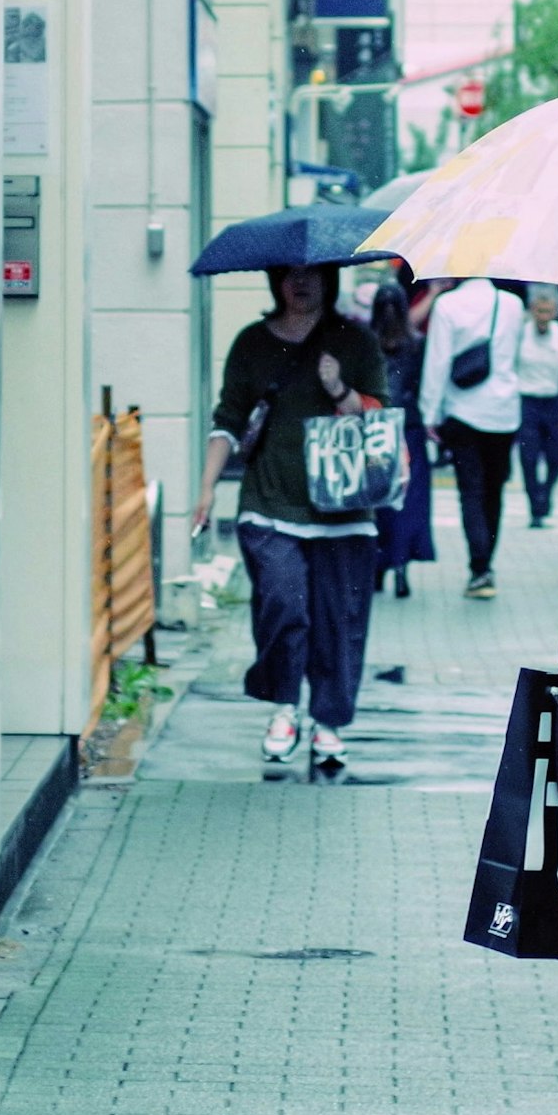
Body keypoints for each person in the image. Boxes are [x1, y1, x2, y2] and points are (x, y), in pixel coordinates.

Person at [193, 265, 386, 778]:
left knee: (339, 623)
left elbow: (379, 416)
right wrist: (207, 487)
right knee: (281, 604)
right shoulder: (252, 343)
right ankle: (284, 705)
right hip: (270, 501)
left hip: (345, 508)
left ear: (328, 279)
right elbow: (228, 419)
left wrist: (338, 387)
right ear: (276, 280)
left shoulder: (354, 340)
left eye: (312, 275)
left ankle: (329, 722)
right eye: (290, 275)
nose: (301, 283)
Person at [420, 276, 529, 597]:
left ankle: (478, 568)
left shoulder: (447, 304)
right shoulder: (512, 304)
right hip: (504, 410)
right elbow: (515, 357)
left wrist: (430, 412)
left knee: (470, 490)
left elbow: (437, 361)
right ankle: (486, 564)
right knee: (494, 491)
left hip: (462, 410)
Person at [368, 264, 439, 598]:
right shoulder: (417, 344)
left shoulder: (367, 344)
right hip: (409, 428)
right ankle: (401, 566)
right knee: (409, 502)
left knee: (378, 500)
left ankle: (380, 566)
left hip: (375, 429)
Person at [515, 288, 558, 527]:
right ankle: (536, 505)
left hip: (555, 402)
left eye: (548, 312)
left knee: (557, 455)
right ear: (532, 311)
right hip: (528, 401)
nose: (543, 316)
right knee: (528, 456)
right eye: (539, 311)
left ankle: (546, 491)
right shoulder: (520, 335)